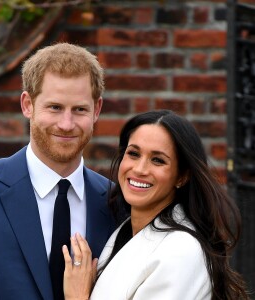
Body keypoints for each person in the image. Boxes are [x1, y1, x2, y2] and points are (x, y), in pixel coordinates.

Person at [0, 43, 116, 300]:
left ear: (96, 110)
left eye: (79, 109)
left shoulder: (116, 203)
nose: (66, 124)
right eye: (54, 107)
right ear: (27, 104)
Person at [62, 110, 250, 300]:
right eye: (134, 154)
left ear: (182, 176)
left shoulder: (180, 251)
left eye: (157, 160)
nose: (140, 169)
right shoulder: (124, 232)